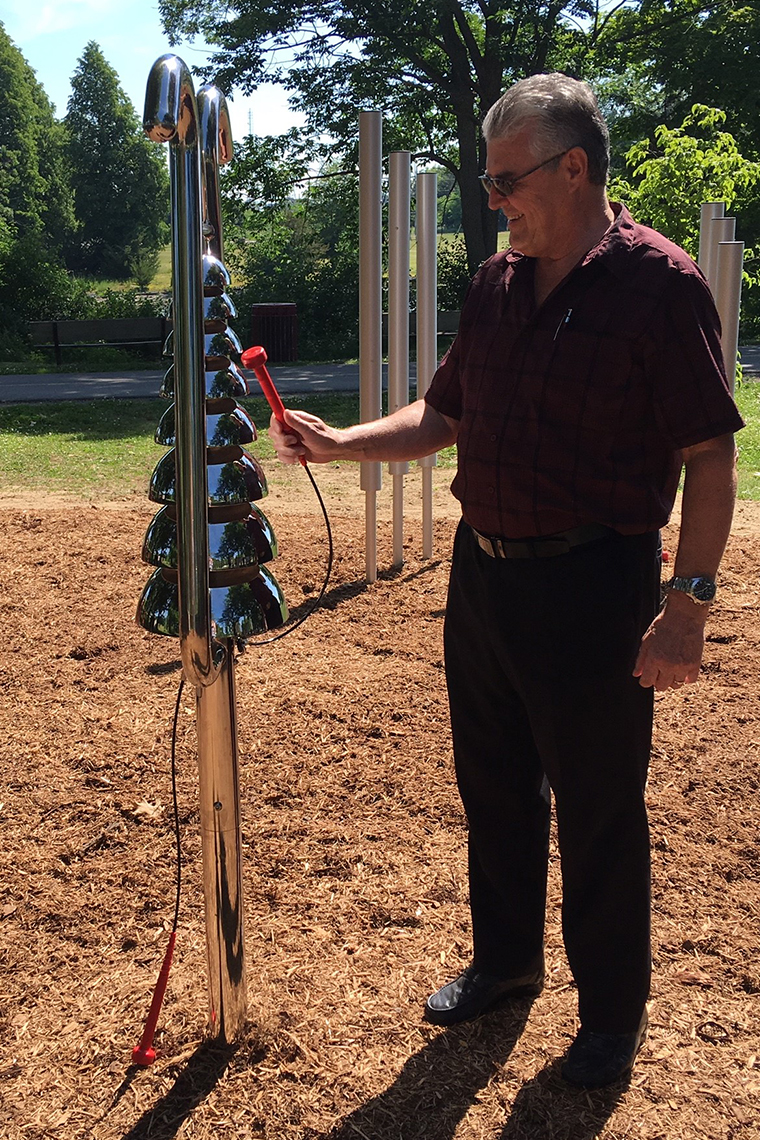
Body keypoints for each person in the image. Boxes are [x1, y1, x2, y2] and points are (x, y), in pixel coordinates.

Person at [268, 73, 744, 1088]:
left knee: (600, 807)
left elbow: (709, 456)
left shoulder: (660, 288)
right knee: (492, 790)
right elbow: (444, 418)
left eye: (506, 180)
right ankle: (506, 963)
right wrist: (343, 440)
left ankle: (609, 1019)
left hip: (596, 589)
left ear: (573, 169)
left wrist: (685, 610)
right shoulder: (491, 286)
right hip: (483, 578)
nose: (493, 201)